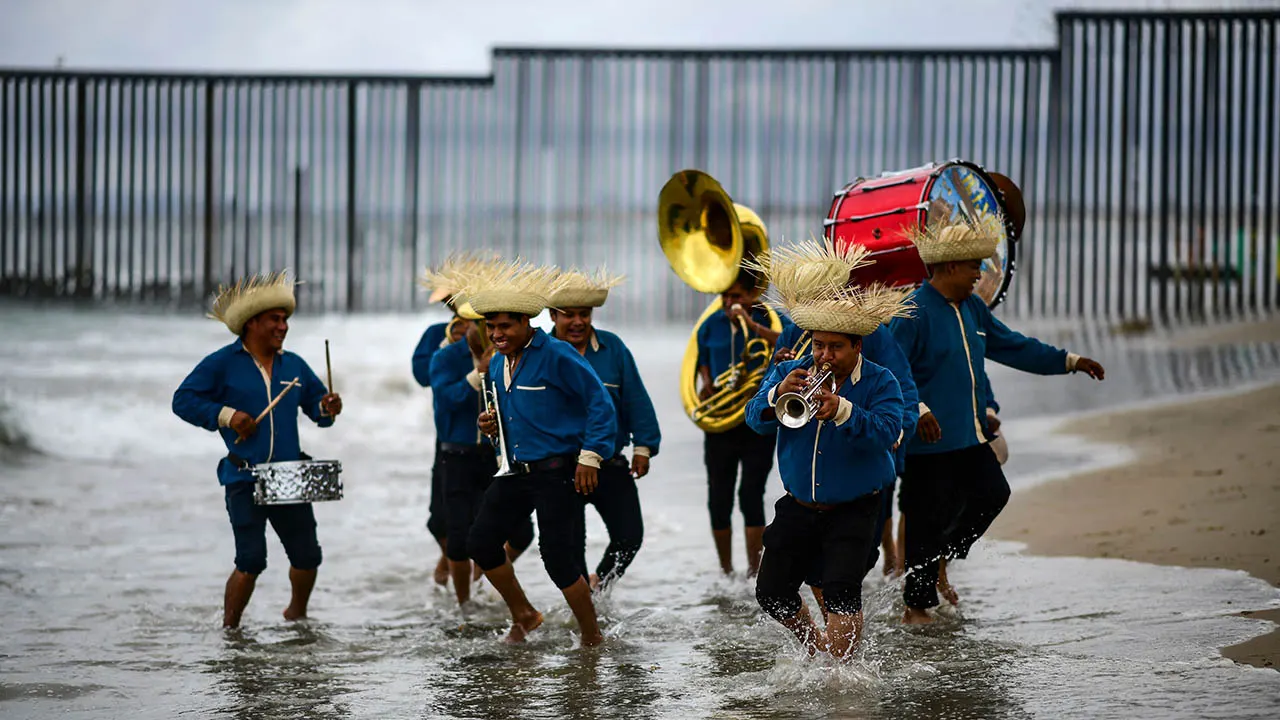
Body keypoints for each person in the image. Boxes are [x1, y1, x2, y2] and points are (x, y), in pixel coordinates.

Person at [889, 216, 1106, 624]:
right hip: (927, 440)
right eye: (975, 266)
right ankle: (915, 609)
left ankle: (939, 561)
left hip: (969, 436)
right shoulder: (912, 312)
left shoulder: (972, 307)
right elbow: (894, 369)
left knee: (993, 494)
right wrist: (917, 409)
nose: (980, 274)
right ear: (951, 267)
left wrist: (1069, 361)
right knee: (923, 520)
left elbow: (1013, 346)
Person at [745, 241, 911, 658]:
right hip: (798, 504)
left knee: (840, 594)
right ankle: (818, 651)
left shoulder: (880, 382)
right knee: (771, 592)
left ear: (857, 346)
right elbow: (751, 418)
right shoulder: (790, 371)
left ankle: (844, 678)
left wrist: (842, 411)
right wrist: (775, 394)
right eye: (818, 345)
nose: (823, 356)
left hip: (855, 507)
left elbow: (889, 432)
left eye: (835, 347)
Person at [457, 260, 618, 646]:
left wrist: (589, 457)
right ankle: (525, 614)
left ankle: (592, 637)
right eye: (491, 327)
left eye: (505, 326)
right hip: (514, 472)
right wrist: (491, 426)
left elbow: (600, 403)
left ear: (527, 322)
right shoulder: (497, 362)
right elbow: (505, 414)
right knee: (479, 543)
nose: (496, 334)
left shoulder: (558, 354)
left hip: (556, 472)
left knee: (558, 561)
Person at [172, 270, 343, 629]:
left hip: (287, 476)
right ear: (251, 323)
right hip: (242, 476)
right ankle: (230, 630)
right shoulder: (222, 363)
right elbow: (183, 400)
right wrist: (227, 415)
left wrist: (327, 408)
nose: (283, 326)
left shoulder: (293, 364)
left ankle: (297, 615)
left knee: (308, 556)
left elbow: (318, 410)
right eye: (274, 320)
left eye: (285, 320)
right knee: (251, 560)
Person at [547, 269, 662, 592]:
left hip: (609, 460)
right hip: (560, 466)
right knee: (571, 546)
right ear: (552, 315)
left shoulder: (613, 348)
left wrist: (643, 446)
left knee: (630, 537)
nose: (578, 322)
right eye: (568, 315)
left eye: (584, 314)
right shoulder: (539, 352)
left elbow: (635, 398)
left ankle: (600, 588)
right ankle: (585, 611)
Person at [427, 304, 535, 608]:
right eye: (484, 326)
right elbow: (446, 400)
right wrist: (479, 373)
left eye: (496, 327)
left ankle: (481, 577)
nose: (491, 334)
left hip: (497, 456)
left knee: (523, 532)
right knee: (457, 539)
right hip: (456, 456)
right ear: (467, 325)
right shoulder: (446, 356)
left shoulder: (510, 355)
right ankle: (464, 607)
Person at [696, 268, 794, 577]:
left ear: (752, 295)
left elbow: (793, 342)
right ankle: (726, 571)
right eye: (725, 296)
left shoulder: (772, 318)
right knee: (718, 496)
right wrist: (707, 383)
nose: (729, 302)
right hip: (721, 423)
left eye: (736, 296)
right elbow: (701, 362)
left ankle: (755, 571)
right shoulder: (709, 325)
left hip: (758, 421)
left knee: (751, 493)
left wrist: (752, 326)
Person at [411, 286, 468, 587]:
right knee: (439, 517)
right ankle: (450, 556)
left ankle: (478, 568)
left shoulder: (492, 330)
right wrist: (449, 346)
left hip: (493, 435)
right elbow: (422, 376)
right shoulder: (437, 332)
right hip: (449, 433)